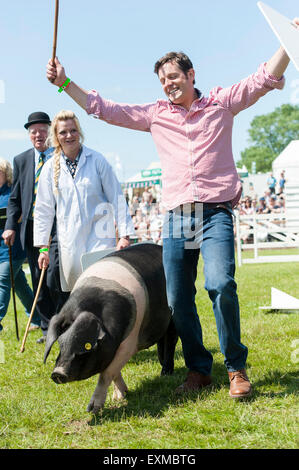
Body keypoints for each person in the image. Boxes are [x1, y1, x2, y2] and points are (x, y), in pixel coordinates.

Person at [46, 28, 298, 398]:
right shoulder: (155, 115)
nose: (168, 84)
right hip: (178, 217)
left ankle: (235, 368)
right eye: (163, 80)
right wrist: (64, 82)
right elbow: (106, 109)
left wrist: (288, 43)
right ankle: (198, 369)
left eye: (174, 76)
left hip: (214, 214)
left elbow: (262, 79)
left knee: (220, 285)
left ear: (191, 75)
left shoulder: (221, 103)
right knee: (177, 298)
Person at [34, 110, 135, 292]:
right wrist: (43, 248)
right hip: (70, 242)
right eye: (63, 132)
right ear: (56, 137)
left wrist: (125, 236)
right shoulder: (49, 168)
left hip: (101, 239)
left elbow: (117, 198)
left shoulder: (97, 160)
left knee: (104, 291)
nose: (69, 135)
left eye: (73, 130)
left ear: (79, 132)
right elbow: (43, 210)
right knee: (79, 296)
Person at [2, 112, 70, 343]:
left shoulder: (61, 157)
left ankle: (63, 321)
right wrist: (11, 226)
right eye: (34, 131)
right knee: (37, 276)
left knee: (54, 276)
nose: (38, 135)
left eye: (42, 130)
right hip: (30, 227)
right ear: (29, 136)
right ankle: (46, 327)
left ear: (50, 132)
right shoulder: (21, 160)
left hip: (57, 226)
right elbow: (15, 198)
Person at [0, 158, 40, 332]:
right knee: (20, 285)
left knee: (2, 280)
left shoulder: (12, 195)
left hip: (14, 248)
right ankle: (38, 318)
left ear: (6, 173)